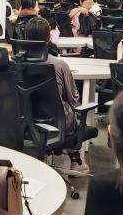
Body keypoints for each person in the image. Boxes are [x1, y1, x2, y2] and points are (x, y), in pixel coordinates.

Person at [24, 17, 87, 171]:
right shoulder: (59, 64)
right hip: (57, 123)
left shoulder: (16, 63)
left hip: (24, 121)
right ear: (48, 38)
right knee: (70, 110)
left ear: (26, 37)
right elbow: (73, 98)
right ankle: (76, 162)